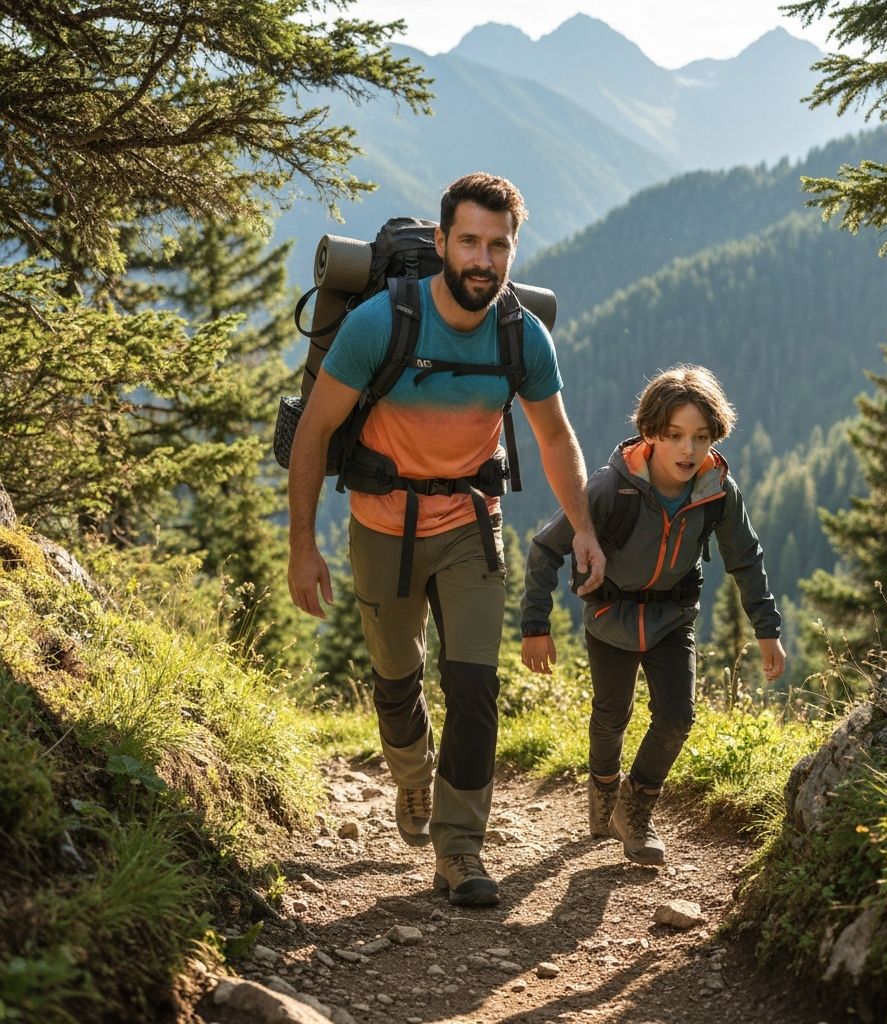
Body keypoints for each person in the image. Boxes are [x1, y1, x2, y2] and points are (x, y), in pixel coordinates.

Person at [287, 172, 606, 906]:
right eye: (469, 241)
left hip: (469, 527)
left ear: (512, 252)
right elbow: (315, 431)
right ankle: (410, 779)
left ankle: (460, 849)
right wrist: (303, 546)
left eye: (499, 246)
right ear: (441, 244)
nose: (483, 260)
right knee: (397, 682)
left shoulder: (522, 335)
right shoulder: (380, 324)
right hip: (380, 526)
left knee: (475, 687)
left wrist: (583, 528)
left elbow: (556, 439)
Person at [519, 364, 785, 866]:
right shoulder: (607, 490)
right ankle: (603, 789)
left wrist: (766, 630)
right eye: (675, 436)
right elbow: (544, 549)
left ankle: (636, 809)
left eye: (701, 437)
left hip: (672, 619)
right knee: (611, 715)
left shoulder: (717, 493)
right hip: (609, 616)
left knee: (676, 718)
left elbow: (746, 558)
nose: (689, 450)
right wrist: (536, 626)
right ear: (650, 434)